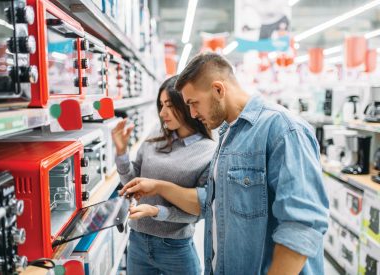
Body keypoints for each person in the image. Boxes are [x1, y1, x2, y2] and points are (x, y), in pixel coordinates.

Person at [119, 53, 329, 275]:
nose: (192, 113)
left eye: (193, 103)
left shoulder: (283, 130)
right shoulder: (228, 134)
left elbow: (302, 226)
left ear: (218, 90)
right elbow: (209, 203)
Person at [112, 75, 216, 275]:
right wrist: (121, 152)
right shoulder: (154, 139)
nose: (162, 113)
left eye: (169, 105)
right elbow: (131, 184)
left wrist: (157, 211)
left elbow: (200, 210)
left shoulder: (208, 151)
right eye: (161, 105)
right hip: (138, 242)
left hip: (176, 247)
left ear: (185, 105)